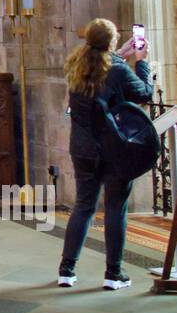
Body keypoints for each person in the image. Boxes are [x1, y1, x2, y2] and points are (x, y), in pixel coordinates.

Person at [58, 18, 154, 291]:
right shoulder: (119, 70)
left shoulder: (76, 64)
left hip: (82, 148)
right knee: (115, 208)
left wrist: (120, 56)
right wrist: (141, 60)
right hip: (113, 149)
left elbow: (102, 72)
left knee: (84, 206)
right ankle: (114, 273)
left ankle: (67, 269)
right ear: (111, 41)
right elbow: (144, 93)